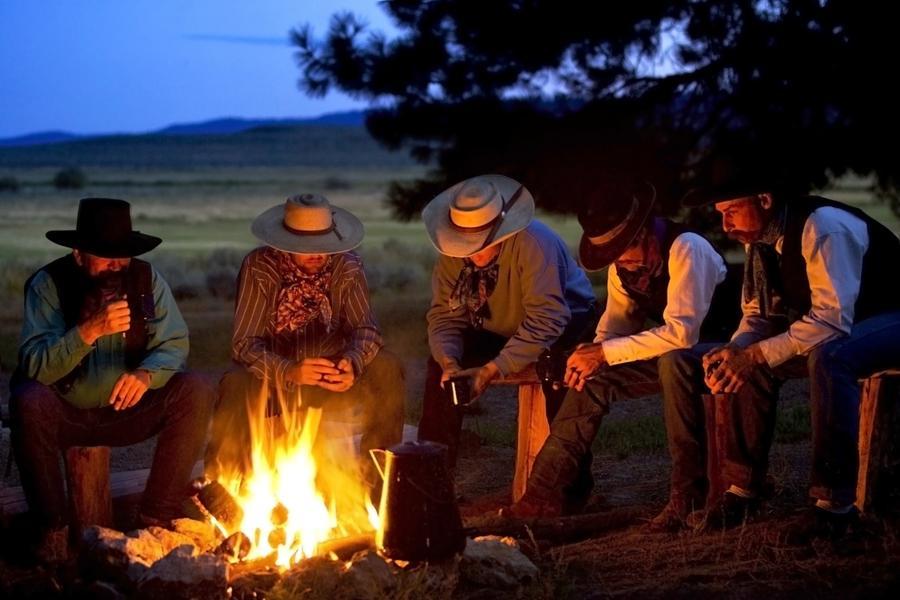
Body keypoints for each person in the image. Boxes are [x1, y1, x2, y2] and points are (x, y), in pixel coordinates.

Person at [678, 166, 900, 534]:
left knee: (832, 356)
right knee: (749, 362)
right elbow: (759, 315)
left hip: (890, 316)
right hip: (851, 325)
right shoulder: (761, 242)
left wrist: (753, 354)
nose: (726, 224)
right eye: (721, 215)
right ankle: (743, 489)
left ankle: (834, 507)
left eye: (731, 211)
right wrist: (738, 351)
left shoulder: (822, 226)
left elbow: (831, 321)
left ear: (764, 200)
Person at [508, 181, 742, 524]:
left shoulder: (687, 248)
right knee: (591, 381)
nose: (621, 262)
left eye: (624, 250)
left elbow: (682, 334)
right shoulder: (625, 268)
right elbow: (616, 328)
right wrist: (592, 356)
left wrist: (603, 352)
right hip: (670, 355)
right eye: (613, 255)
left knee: (672, 362)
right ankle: (543, 496)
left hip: (722, 347)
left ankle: (686, 496)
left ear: (644, 233)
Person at [9, 197, 214, 562]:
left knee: (195, 387)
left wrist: (146, 373)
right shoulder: (48, 285)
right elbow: (36, 366)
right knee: (28, 398)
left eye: (123, 255)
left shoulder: (147, 281)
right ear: (78, 253)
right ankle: (53, 530)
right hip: (65, 414)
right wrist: (86, 333)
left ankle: (156, 518)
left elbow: (174, 344)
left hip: (128, 413)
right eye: (105, 255)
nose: (116, 265)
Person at [205, 194, 404, 491]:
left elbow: (367, 329)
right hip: (276, 378)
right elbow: (245, 344)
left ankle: (379, 480)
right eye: (307, 248)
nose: (317, 254)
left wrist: (352, 362)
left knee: (387, 366)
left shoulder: (347, 266)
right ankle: (223, 486)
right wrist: (289, 371)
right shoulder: (260, 267)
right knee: (234, 383)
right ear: (285, 243)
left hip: (332, 378)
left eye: (324, 246)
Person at [417, 174, 597, 469]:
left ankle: (565, 485)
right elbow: (445, 317)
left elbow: (548, 320)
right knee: (441, 369)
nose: (471, 251)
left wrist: (492, 369)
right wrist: (450, 363)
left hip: (566, 323)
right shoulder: (454, 254)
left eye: (479, 243)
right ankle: (431, 478)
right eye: (464, 242)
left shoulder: (534, 244)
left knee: (557, 370)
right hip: (499, 326)